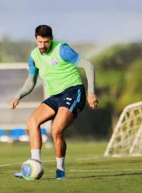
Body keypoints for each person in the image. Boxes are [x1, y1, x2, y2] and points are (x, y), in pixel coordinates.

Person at [10, 25, 98, 179]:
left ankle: (60, 170)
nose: (43, 46)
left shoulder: (62, 50)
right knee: (32, 122)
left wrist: (91, 92)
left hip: (73, 91)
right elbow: (31, 81)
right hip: (55, 96)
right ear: (35, 39)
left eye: (46, 42)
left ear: (51, 39)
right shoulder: (34, 56)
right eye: (40, 42)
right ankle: (35, 164)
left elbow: (88, 66)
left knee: (56, 130)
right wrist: (18, 96)